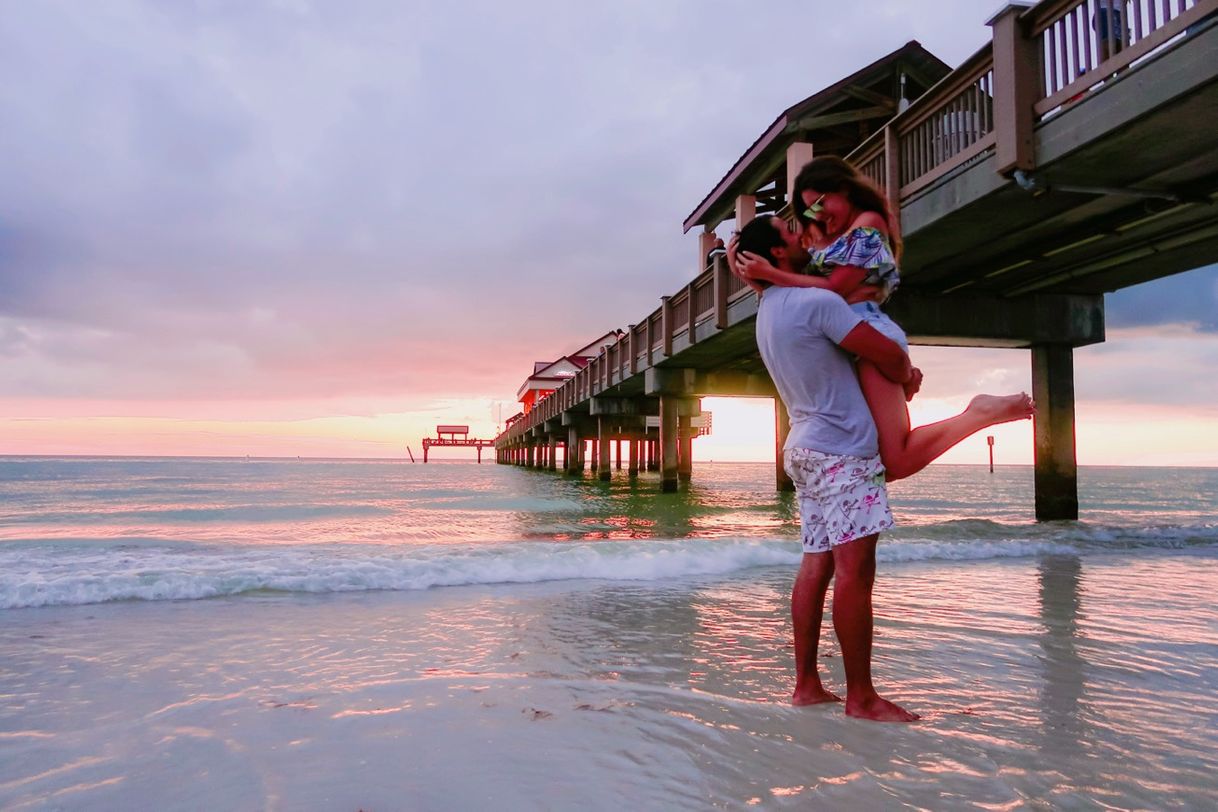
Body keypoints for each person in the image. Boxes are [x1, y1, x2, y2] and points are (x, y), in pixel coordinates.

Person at [733, 156, 1034, 481]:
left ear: (843, 189)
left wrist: (770, 273)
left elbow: (835, 288)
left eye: (819, 204)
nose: (816, 216)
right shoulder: (822, 239)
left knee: (896, 461)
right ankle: (947, 398)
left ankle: (980, 413)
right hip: (848, 337)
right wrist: (754, 277)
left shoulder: (869, 222)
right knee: (872, 457)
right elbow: (797, 285)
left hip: (870, 330)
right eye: (808, 211)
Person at [734, 212, 920, 722]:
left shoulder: (769, 309)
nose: (807, 235)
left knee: (817, 564)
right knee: (856, 573)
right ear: (775, 255)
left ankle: (807, 686)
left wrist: (748, 270)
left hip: (804, 450)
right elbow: (888, 356)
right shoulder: (819, 302)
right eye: (793, 234)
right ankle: (861, 697)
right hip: (843, 452)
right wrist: (907, 373)